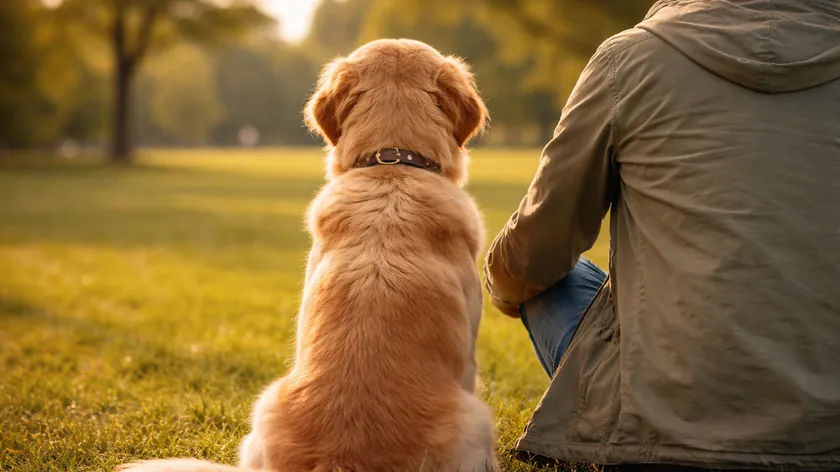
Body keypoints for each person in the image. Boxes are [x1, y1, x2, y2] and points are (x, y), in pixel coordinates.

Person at [484, 0, 840, 470]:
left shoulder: (628, 61)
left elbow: (533, 254)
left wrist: (503, 288)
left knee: (554, 277)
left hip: (657, 432)